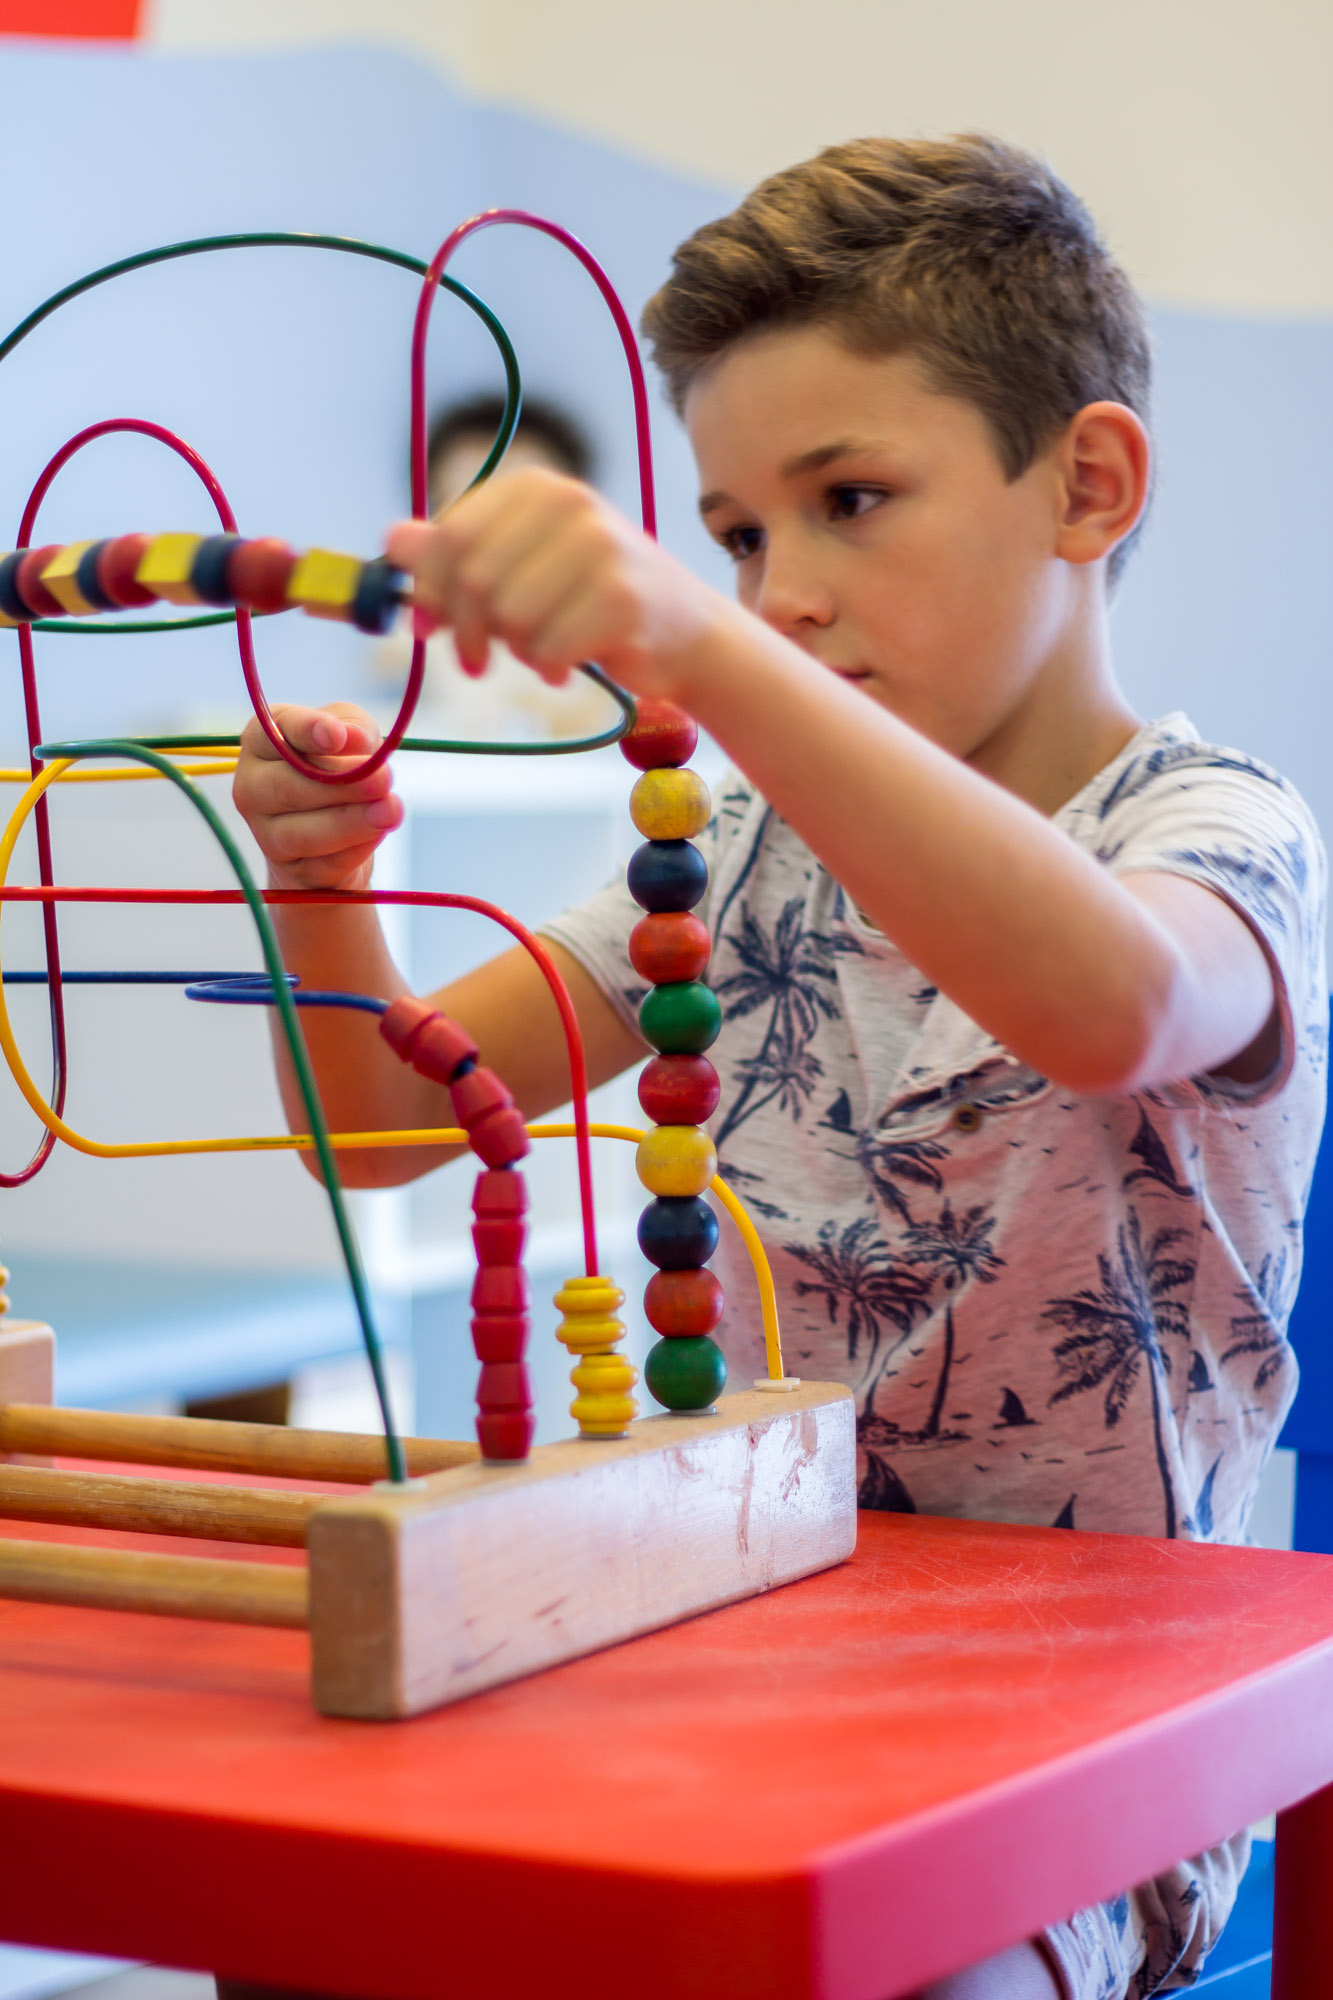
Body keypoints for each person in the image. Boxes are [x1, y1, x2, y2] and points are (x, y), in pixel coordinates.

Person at [232, 135, 1327, 1999]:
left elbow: (1111, 1005)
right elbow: (385, 1123)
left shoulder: (1218, 832)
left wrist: (699, 652)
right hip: (733, 1654)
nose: (778, 595)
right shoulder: (737, 854)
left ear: (1085, 484)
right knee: (316, 1913)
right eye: (738, 539)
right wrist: (323, 886)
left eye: (849, 502)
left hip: (1082, 1758)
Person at [368, 390, 611, 741]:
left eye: (521, 508)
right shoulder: (411, 620)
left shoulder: (604, 622)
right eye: (466, 506)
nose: (495, 533)